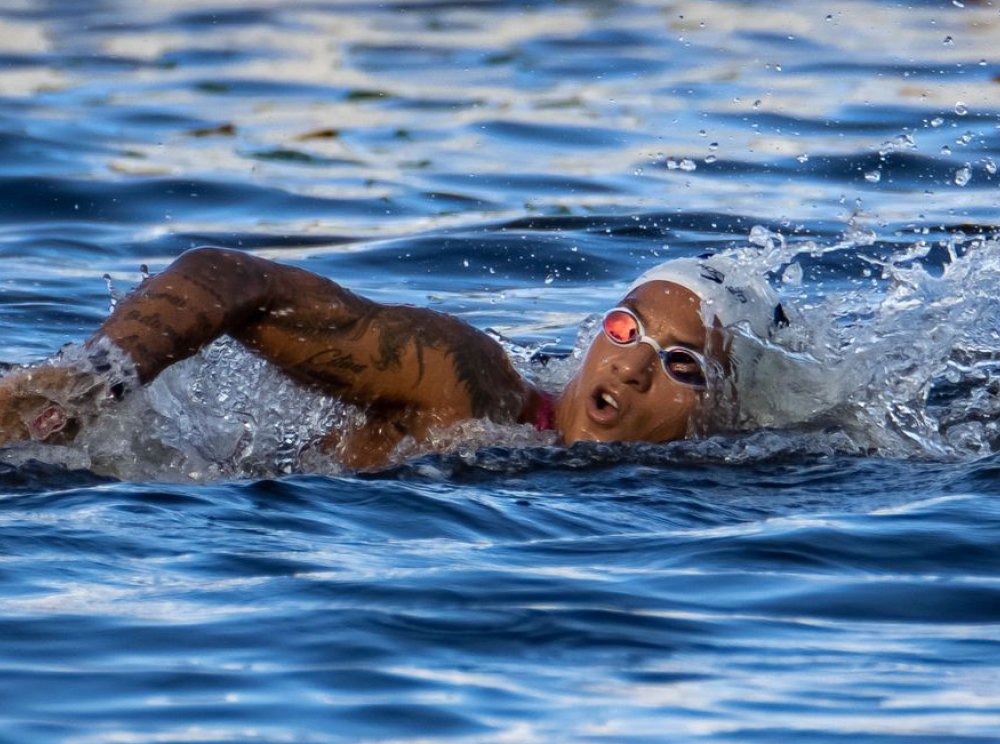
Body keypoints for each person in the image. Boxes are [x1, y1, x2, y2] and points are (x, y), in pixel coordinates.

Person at [0, 248, 784, 469]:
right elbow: (231, 277)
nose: (632, 368)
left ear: (724, 414)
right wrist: (92, 383)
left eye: (684, 367)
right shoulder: (468, 388)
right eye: (625, 329)